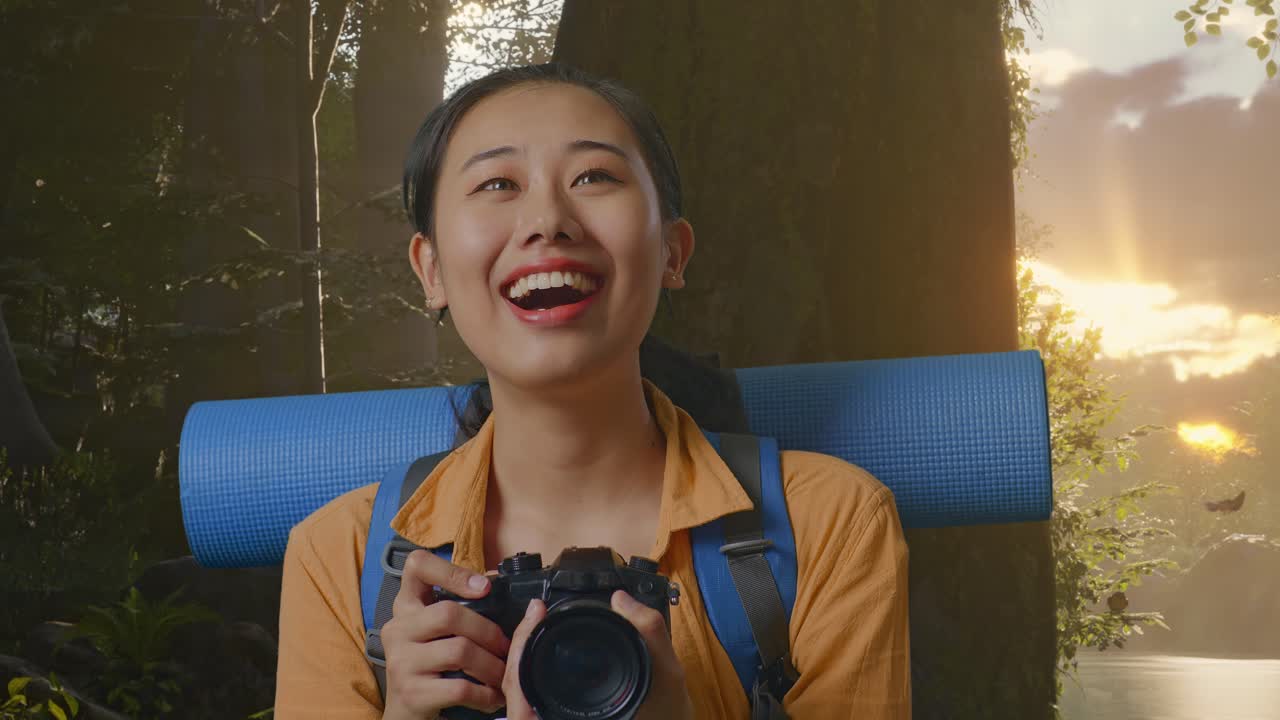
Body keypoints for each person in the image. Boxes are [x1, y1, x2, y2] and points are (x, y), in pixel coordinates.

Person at [274, 62, 911, 720]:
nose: (548, 219)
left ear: (672, 252)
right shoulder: (341, 559)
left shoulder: (831, 524)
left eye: (594, 177)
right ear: (430, 270)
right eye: (497, 183)